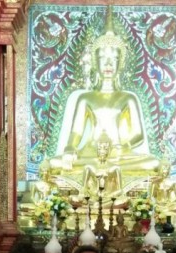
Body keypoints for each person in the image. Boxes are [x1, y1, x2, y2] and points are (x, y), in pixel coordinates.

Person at [49, 11, 159, 176]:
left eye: (113, 59)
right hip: (90, 154)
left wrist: (124, 147)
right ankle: (103, 169)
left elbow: (138, 134)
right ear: (95, 62)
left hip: (120, 156)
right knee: (53, 163)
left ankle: (103, 170)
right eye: (103, 58)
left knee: (153, 163)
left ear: (121, 63)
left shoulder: (128, 98)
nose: (108, 64)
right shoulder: (85, 98)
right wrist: (70, 148)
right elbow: (76, 132)